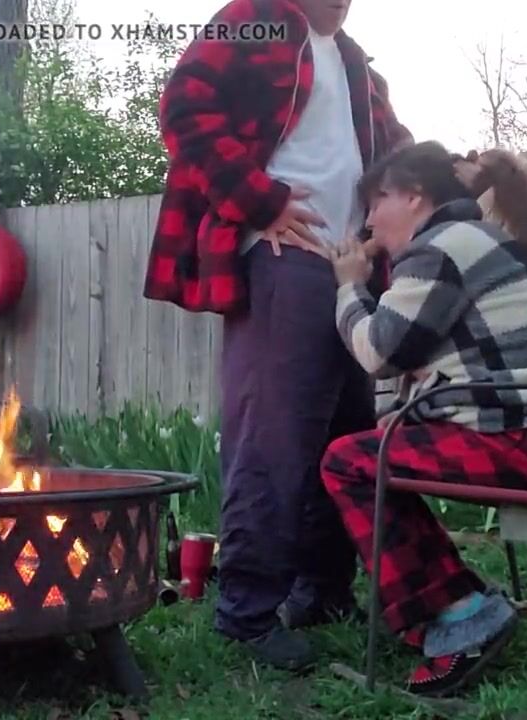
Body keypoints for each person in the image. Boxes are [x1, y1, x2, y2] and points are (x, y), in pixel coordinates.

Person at [142, 0, 411, 670]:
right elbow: (184, 107)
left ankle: (321, 591)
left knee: (346, 434)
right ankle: (247, 612)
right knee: (273, 438)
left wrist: (455, 179)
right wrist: (258, 199)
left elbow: (401, 156)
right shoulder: (256, 17)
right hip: (283, 259)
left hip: (350, 269)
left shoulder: (356, 65)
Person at [320, 142, 527, 695]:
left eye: (377, 201)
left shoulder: (440, 248)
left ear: (415, 197)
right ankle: (453, 600)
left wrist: (349, 286)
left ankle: (461, 614)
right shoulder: (476, 240)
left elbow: (379, 354)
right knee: (377, 451)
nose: (369, 220)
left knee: (349, 462)